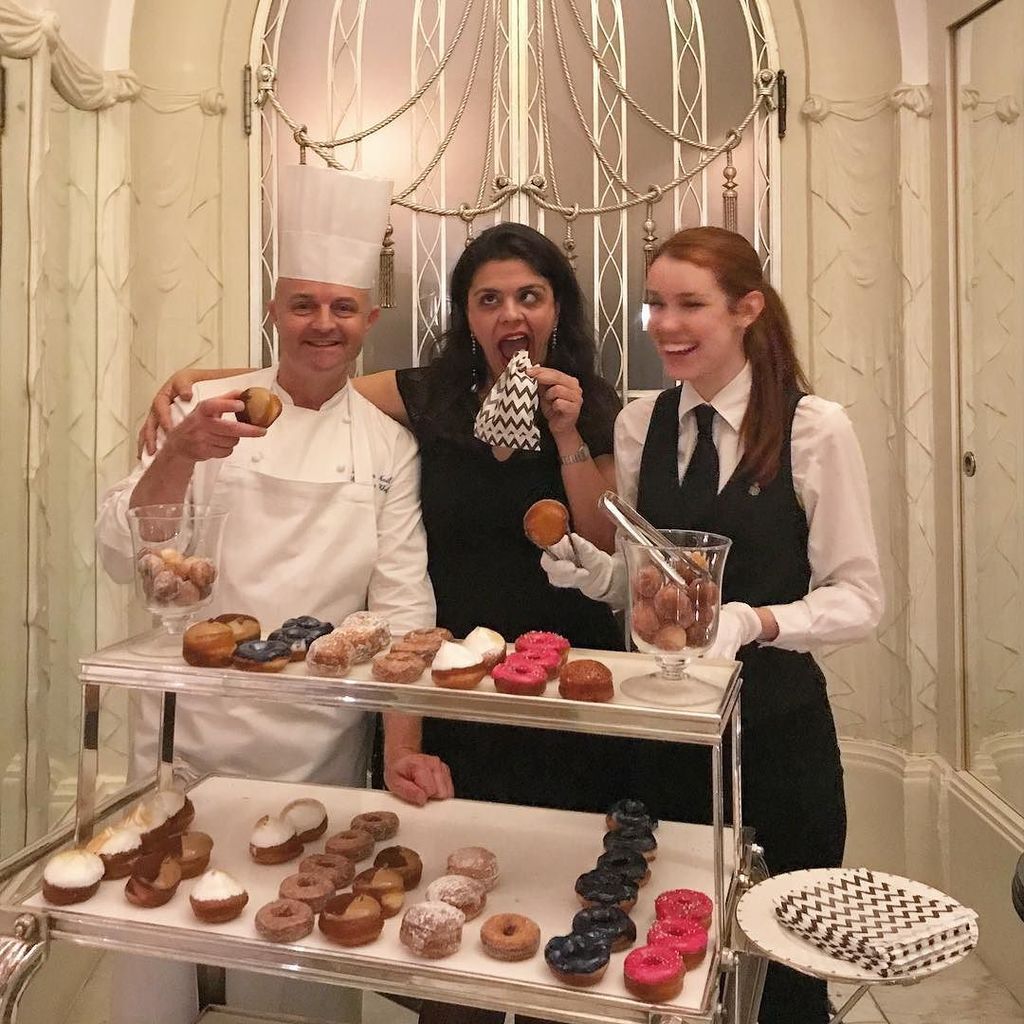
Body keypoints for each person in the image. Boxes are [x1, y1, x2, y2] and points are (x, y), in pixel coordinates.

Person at [138, 221, 633, 1024]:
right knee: (452, 926)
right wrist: (197, 380)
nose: (510, 313)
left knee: (560, 903)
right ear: (467, 314)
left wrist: (569, 431)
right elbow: (314, 377)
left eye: (529, 296)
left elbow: (604, 545)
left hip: (559, 680)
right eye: (489, 299)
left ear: (556, 308)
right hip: (452, 686)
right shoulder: (428, 394)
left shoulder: (592, 401)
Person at [97, 164, 440, 1024]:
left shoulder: (388, 447)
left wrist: (402, 748)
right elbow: (122, 549)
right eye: (303, 304)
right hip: (185, 743)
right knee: (159, 970)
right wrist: (181, 453)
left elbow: (405, 609)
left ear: (369, 318)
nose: (323, 324)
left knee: (292, 979)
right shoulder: (208, 411)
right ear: (274, 309)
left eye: (343, 307)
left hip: (314, 753)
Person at [543, 226, 884, 1024]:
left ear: (747, 309)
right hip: (662, 743)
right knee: (666, 964)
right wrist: (596, 572)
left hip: (777, 744)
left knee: (786, 969)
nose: (665, 324)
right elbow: (651, 583)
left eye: (690, 304)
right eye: (654, 304)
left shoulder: (814, 429)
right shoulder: (641, 423)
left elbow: (860, 599)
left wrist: (753, 620)